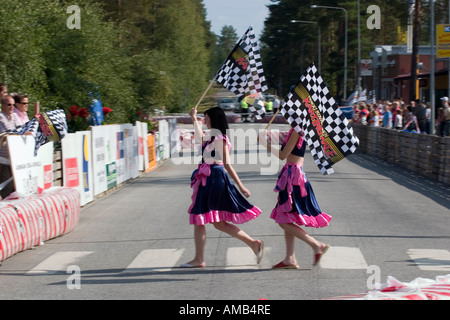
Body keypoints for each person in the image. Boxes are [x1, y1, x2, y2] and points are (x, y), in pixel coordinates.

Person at [181, 107, 264, 268]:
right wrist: (193, 118)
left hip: (214, 178)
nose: (204, 120)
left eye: (206, 118)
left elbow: (227, 164)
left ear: (213, 118)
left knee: (200, 218)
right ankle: (254, 244)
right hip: (209, 178)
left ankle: (199, 259)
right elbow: (199, 137)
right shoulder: (211, 136)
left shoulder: (219, 138)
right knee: (218, 223)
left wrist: (241, 186)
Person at [258, 128, 330, 269]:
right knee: (287, 217)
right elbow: (279, 137)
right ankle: (289, 258)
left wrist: (263, 143)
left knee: (283, 221)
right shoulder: (294, 130)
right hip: (291, 174)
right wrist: (265, 136)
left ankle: (316, 245)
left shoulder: (297, 131)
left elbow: (282, 155)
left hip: (294, 177)